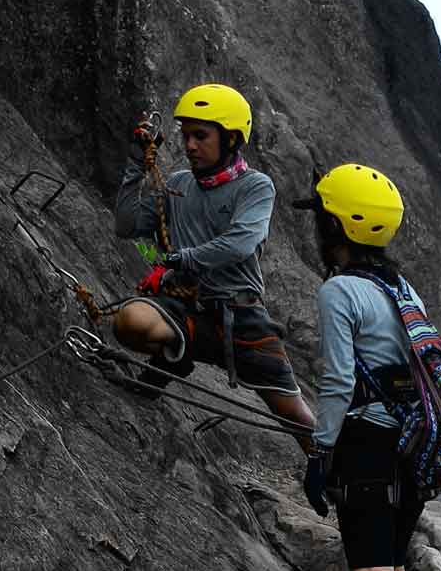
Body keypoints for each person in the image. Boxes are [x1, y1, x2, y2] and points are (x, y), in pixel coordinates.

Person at [294, 163, 431, 571]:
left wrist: (320, 452)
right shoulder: (402, 289)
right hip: (414, 442)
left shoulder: (339, 291)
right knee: (396, 567)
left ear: (336, 227)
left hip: (369, 443)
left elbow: (336, 381)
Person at [112, 82, 315, 433]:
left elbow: (239, 243)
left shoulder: (255, 186)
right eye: (187, 135)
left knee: (297, 419)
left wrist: (180, 260)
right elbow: (127, 225)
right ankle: (177, 354)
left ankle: (335, 481)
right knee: (130, 321)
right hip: (191, 307)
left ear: (232, 139)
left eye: (200, 136)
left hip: (241, 315)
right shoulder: (178, 184)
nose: (190, 145)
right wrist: (135, 164)